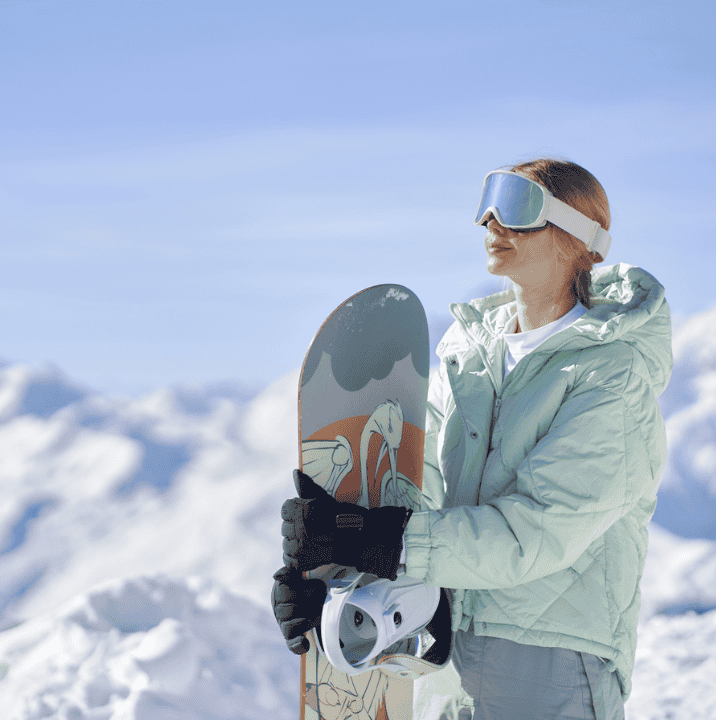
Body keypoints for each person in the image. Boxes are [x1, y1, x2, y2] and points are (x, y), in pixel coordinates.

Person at [273, 158, 672, 720]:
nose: (491, 222)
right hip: (445, 657)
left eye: (518, 206)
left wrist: (377, 542)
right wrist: (336, 574)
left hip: (549, 663)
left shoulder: (611, 375)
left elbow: (536, 530)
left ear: (580, 239)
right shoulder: (469, 360)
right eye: (487, 205)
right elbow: (420, 501)